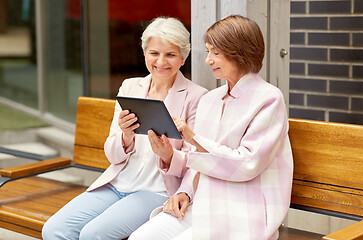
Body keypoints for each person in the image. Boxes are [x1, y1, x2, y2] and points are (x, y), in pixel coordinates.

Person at [129, 15, 294, 240]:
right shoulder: (211, 99)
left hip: (241, 212)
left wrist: (193, 137)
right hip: (202, 203)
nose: (208, 60)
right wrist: (185, 191)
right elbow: (200, 161)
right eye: (208, 51)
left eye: (216, 53)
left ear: (240, 52)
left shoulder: (269, 99)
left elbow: (247, 163)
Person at [42, 17, 208, 240]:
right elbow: (112, 154)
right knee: (53, 229)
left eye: (170, 54)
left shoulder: (196, 97)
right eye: (154, 53)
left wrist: (168, 155)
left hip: (155, 191)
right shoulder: (130, 87)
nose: (161, 61)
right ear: (144, 53)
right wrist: (126, 136)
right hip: (117, 183)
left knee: (93, 234)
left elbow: (196, 161)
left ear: (183, 57)